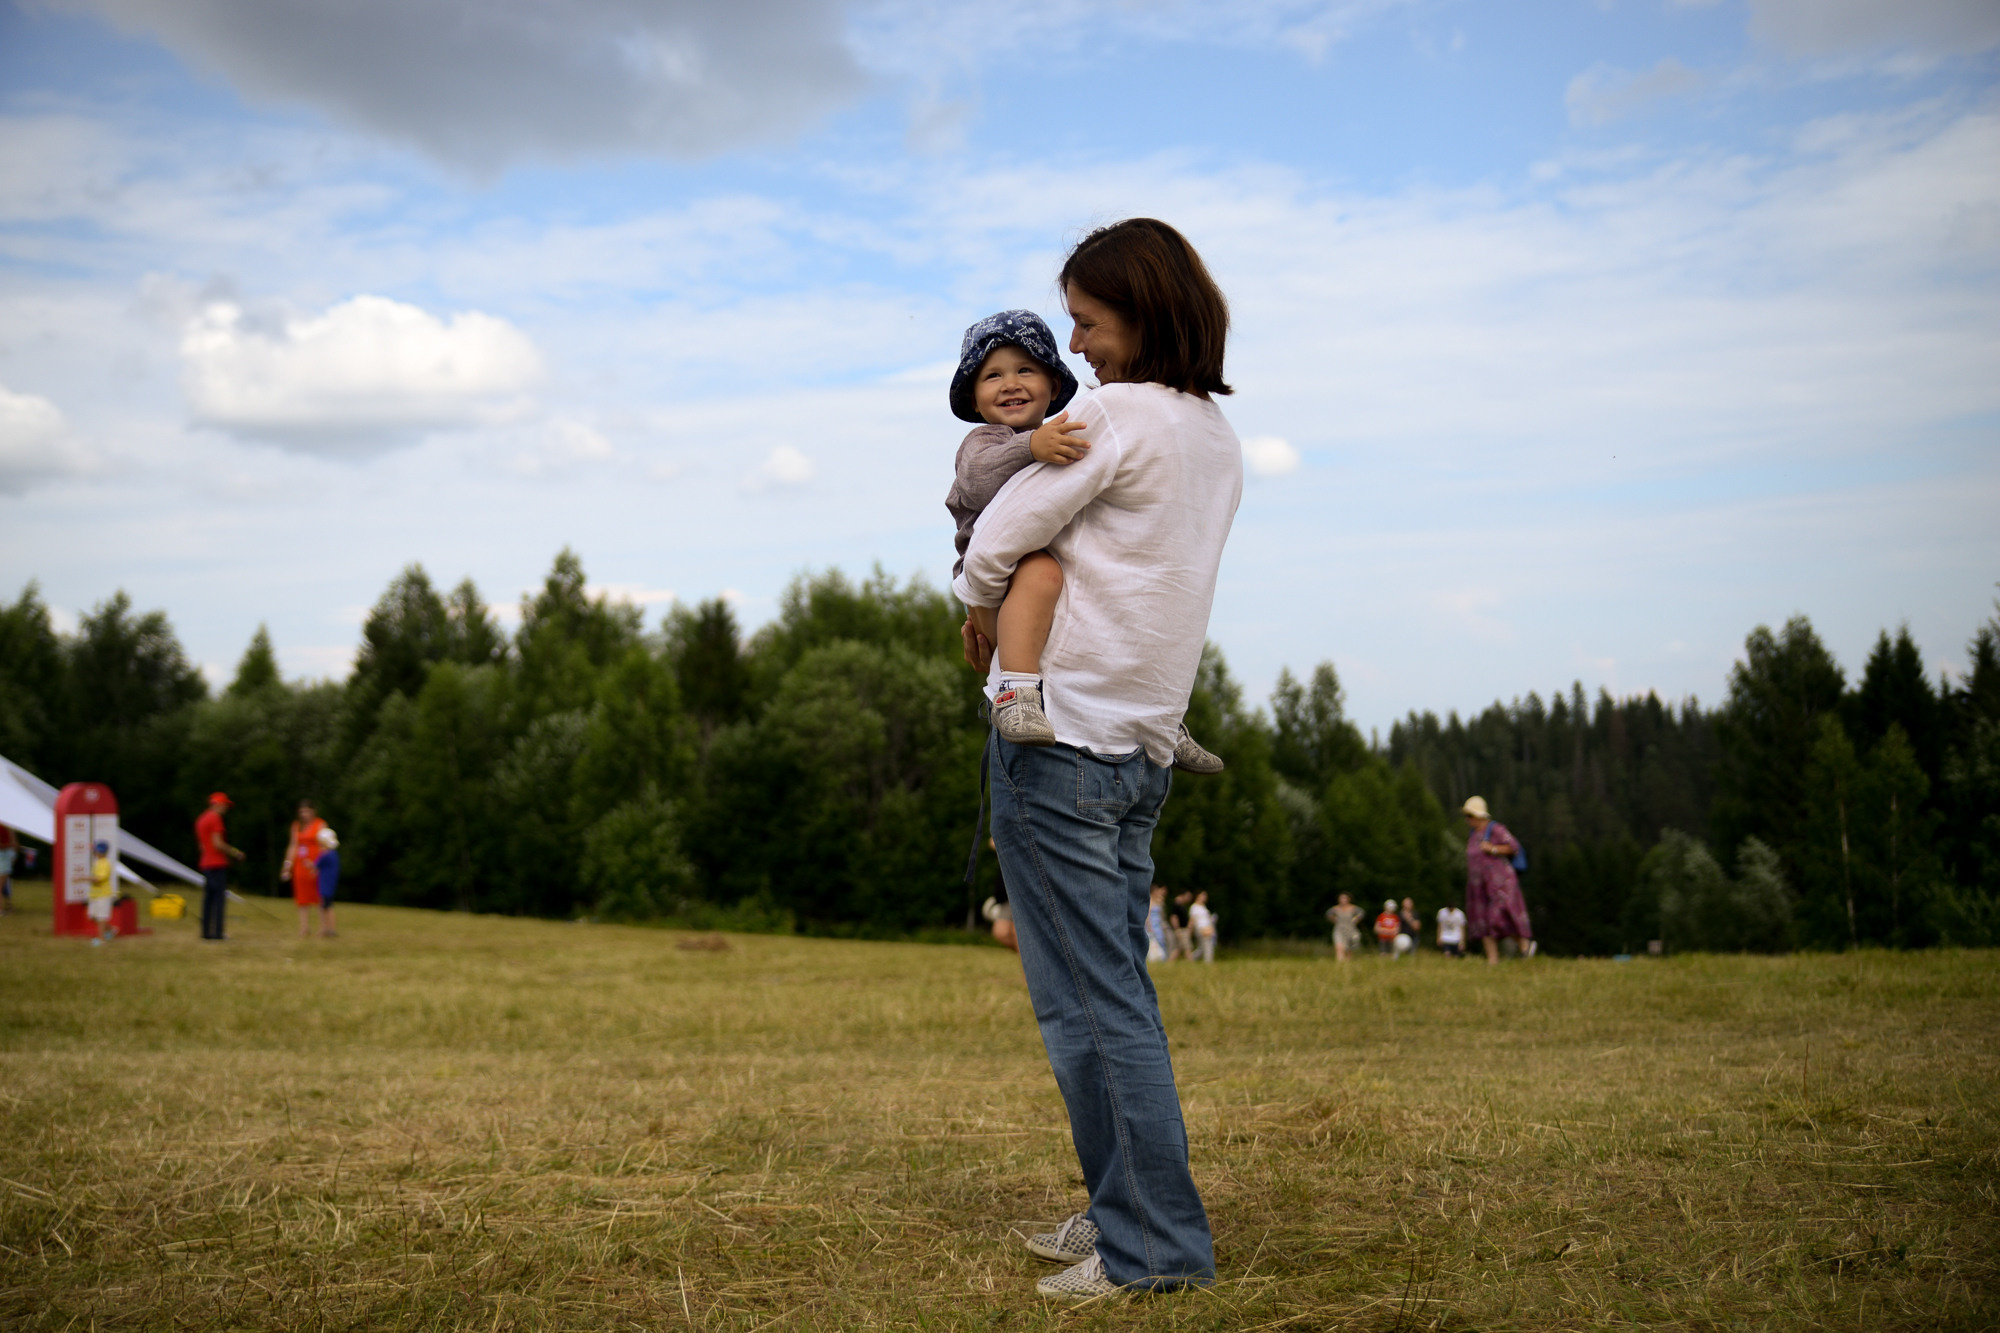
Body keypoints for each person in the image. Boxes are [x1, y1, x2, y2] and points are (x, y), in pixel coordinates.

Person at [957, 218, 1238, 1301]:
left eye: (1085, 321)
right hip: (1136, 748)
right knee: (1099, 995)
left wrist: (977, 609)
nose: (1077, 347)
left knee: (1092, 1003)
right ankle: (1123, 1208)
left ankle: (1155, 1249)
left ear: (1142, 309)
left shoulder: (1111, 416)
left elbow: (992, 541)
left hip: (1057, 741)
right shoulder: (1213, 433)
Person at [946, 309, 1223, 774]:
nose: (1010, 383)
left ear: (1054, 387)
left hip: (1039, 578)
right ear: (974, 399)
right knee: (1042, 572)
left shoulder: (1065, 433)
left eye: (1025, 370)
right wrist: (1029, 448)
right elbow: (975, 480)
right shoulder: (984, 440)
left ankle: (1162, 719)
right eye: (992, 376)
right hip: (1002, 573)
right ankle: (1016, 692)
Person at [1461, 796, 1533, 965]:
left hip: (1500, 884)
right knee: (1483, 920)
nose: (1467, 820)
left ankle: (1524, 946)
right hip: (1478, 886)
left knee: (1499, 918)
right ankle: (1492, 960)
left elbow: (1513, 847)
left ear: (1479, 815)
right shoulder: (1473, 834)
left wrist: (1492, 849)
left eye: (1470, 816)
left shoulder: (1496, 830)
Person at [194, 792, 245, 941]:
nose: (226, 809)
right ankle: (217, 933)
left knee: (208, 898)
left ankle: (205, 932)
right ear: (218, 804)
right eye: (225, 805)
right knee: (219, 899)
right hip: (217, 863)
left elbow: (202, 846)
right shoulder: (215, 818)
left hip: (205, 863)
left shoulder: (201, 819)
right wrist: (236, 853)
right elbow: (218, 843)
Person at [281, 800, 327, 940]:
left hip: (315, 864)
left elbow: (325, 846)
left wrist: (319, 865)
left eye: (307, 811)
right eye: (302, 811)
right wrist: (287, 865)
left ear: (313, 811)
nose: (304, 814)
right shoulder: (296, 826)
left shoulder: (320, 825)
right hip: (300, 865)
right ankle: (304, 927)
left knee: (319, 896)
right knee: (301, 897)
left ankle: (324, 928)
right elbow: (293, 846)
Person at [981, 838, 1019, 952]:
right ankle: (1035, 961)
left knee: (1018, 933)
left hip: (1020, 886)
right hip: (1005, 889)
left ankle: (1029, 968)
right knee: (1001, 932)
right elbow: (992, 841)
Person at [313, 825, 341, 938]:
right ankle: (330, 929)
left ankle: (325, 929)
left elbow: (315, 866)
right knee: (328, 907)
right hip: (330, 884)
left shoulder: (325, 855)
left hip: (324, 885)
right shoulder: (334, 854)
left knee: (324, 907)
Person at [87, 839, 116, 945]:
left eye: (96, 850)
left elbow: (99, 878)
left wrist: (83, 878)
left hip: (103, 894)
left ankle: (101, 940)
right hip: (95, 894)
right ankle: (111, 930)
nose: (94, 852)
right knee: (93, 916)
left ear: (100, 851)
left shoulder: (106, 864)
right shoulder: (97, 862)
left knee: (101, 917)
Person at [1325, 892, 1362, 961]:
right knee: (1339, 947)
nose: (1343, 900)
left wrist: (1356, 919)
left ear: (1349, 899)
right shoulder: (1336, 908)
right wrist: (1334, 920)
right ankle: (1340, 962)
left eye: (1345, 898)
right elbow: (1328, 914)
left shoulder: (1353, 908)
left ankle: (1347, 963)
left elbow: (1361, 913)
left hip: (1350, 929)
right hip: (1339, 929)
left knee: (1348, 949)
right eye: (1341, 898)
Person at [1188, 890, 1217, 963]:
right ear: (1198, 896)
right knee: (1207, 946)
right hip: (1201, 929)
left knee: (1202, 948)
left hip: (1208, 928)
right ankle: (1208, 962)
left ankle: (1190, 958)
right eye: (1203, 895)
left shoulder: (1203, 907)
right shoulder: (1194, 907)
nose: (1205, 897)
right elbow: (1192, 919)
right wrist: (1190, 930)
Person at [1145, 885, 1169, 963]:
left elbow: (1161, 914)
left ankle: (1163, 958)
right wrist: (1149, 925)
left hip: (1158, 924)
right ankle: (1156, 958)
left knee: (1161, 939)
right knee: (1154, 940)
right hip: (1152, 924)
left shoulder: (1158, 901)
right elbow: (1148, 914)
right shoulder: (1150, 901)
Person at [0, 822, 15, 914]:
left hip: (4, 857)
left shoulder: (7, 826)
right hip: (6, 857)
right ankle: (7, 907)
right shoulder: (9, 826)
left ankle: (2, 909)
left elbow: (13, 844)